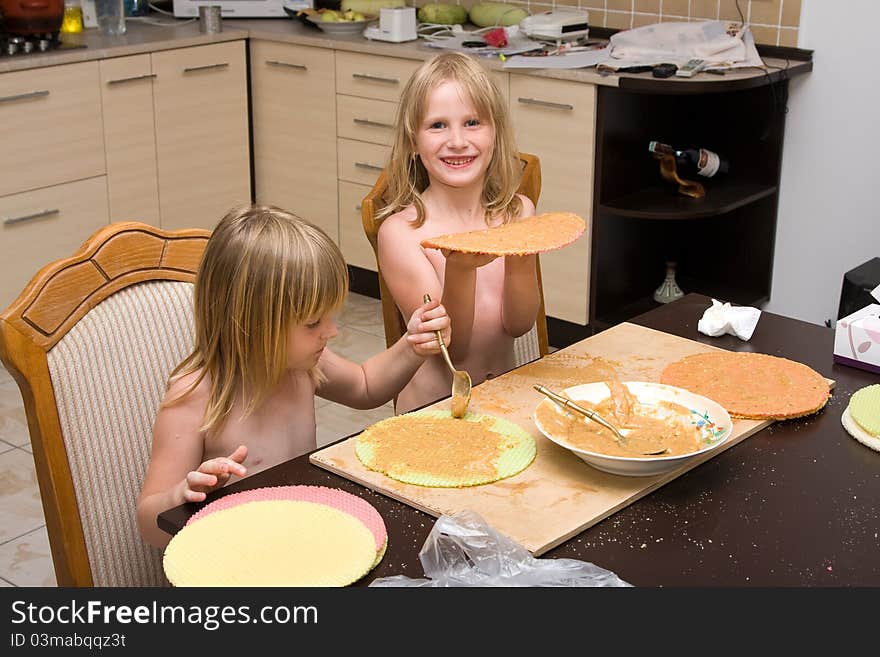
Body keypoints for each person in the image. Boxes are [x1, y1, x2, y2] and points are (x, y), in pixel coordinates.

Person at [137, 204, 450, 548]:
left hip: (302, 540)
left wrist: (412, 346)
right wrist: (183, 495)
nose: (331, 332)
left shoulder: (301, 365)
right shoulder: (196, 394)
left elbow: (365, 387)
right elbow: (149, 525)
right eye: (314, 322)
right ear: (255, 323)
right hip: (240, 559)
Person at [377, 51, 540, 413]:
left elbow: (519, 323)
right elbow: (455, 347)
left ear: (496, 132)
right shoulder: (402, 234)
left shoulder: (519, 212)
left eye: (472, 122)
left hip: (503, 404)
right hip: (432, 415)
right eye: (437, 125)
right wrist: (461, 267)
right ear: (413, 141)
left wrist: (522, 248)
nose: (457, 141)